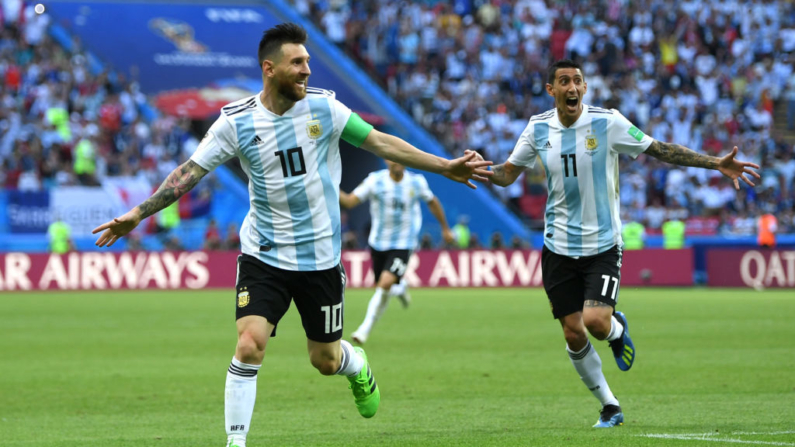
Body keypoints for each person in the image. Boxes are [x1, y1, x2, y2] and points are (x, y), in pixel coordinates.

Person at [91, 23, 491, 447]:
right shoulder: (236, 122)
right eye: (297, 63)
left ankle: (356, 366)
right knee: (249, 344)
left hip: (320, 258)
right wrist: (137, 213)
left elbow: (380, 143)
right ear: (269, 68)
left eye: (308, 62)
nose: (306, 71)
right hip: (263, 254)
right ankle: (235, 442)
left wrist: (445, 166)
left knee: (325, 359)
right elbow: (189, 173)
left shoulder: (325, 110)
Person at [484, 59, 759, 428]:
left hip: (602, 244)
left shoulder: (607, 122)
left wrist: (715, 164)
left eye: (578, 81)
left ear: (584, 88)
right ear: (551, 90)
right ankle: (610, 405)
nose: (572, 88)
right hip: (557, 247)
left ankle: (616, 330)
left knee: (596, 322)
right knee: (572, 330)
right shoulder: (537, 129)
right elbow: (507, 174)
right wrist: (474, 171)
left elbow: (659, 149)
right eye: (564, 81)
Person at [339, 160, 456, 345]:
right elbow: (349, 201)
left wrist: (445, 228)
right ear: (386, 160)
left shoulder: (416, 182)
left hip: (404, 242)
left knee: (384, 284)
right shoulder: (375, 181)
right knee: (383, 284)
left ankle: (364, 329)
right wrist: (326, 184)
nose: (398, 161)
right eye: (394, 157)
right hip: (378, 243)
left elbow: (432, 202)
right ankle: (400, 288)